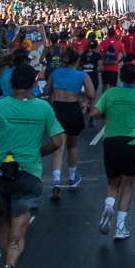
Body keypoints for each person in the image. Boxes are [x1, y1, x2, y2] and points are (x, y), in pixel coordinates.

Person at [0, 64, 64, 268]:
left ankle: (5, 263)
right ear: (34, 84)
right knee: (19, 229)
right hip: (28, 173)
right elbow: (57, 142)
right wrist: (38, 153)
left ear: (10, 83)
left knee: (4, 222)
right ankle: (9, 265)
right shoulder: (44, 108)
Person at [90, 61, 135, 241]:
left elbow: (94, 113)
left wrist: (105, 113)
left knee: (112, 183)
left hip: (111, 141)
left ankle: (108, 206)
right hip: (133, 143)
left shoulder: (110, 93)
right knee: (127, 185)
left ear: (120, 76)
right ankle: (120, 227)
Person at [45, 47, 95, 201]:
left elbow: (46, 92)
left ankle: (56, 181)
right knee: (72, 145)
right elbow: (92, 94)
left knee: (58, 148)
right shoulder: (82, 75)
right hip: (73, 110)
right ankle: (72, 178)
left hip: (58, 109)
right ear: (78, 61)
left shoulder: (55, 73)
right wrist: (82, 94)